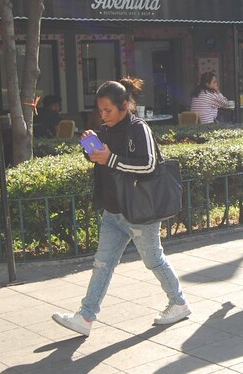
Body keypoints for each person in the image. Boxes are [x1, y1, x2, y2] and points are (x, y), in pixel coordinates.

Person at [52, 77, 190, 336]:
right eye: (100, 110)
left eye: (108, 110)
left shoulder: (139, 128)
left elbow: (149, 165)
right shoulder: (104, 129)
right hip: (113, 211)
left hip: (139, 212)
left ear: (124, 105)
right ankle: (86, 317)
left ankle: (179, 303)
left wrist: (110, 158)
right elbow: (102, 160)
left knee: (154, 261)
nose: (103, 116)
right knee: (102, 264)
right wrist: (90, 146)